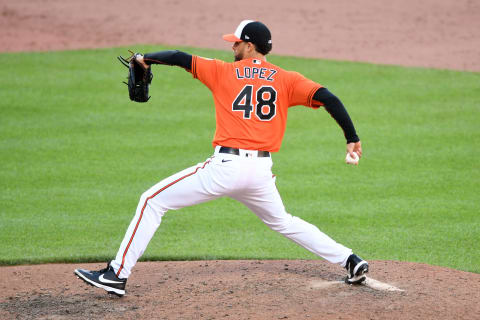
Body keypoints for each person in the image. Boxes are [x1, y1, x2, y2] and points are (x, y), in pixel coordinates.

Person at [74, 20, 368, 297]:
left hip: (226, 168)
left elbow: (178, 56)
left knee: (152, 201)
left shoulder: (224, 71)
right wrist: (351, 138)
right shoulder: (287, 79)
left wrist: (145, 58)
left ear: (250, 46)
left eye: (237, 43)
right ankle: (350, 260)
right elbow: (330, 98)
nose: (232, 48)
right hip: (260, 173)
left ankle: (117, 273)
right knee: (283, 221)